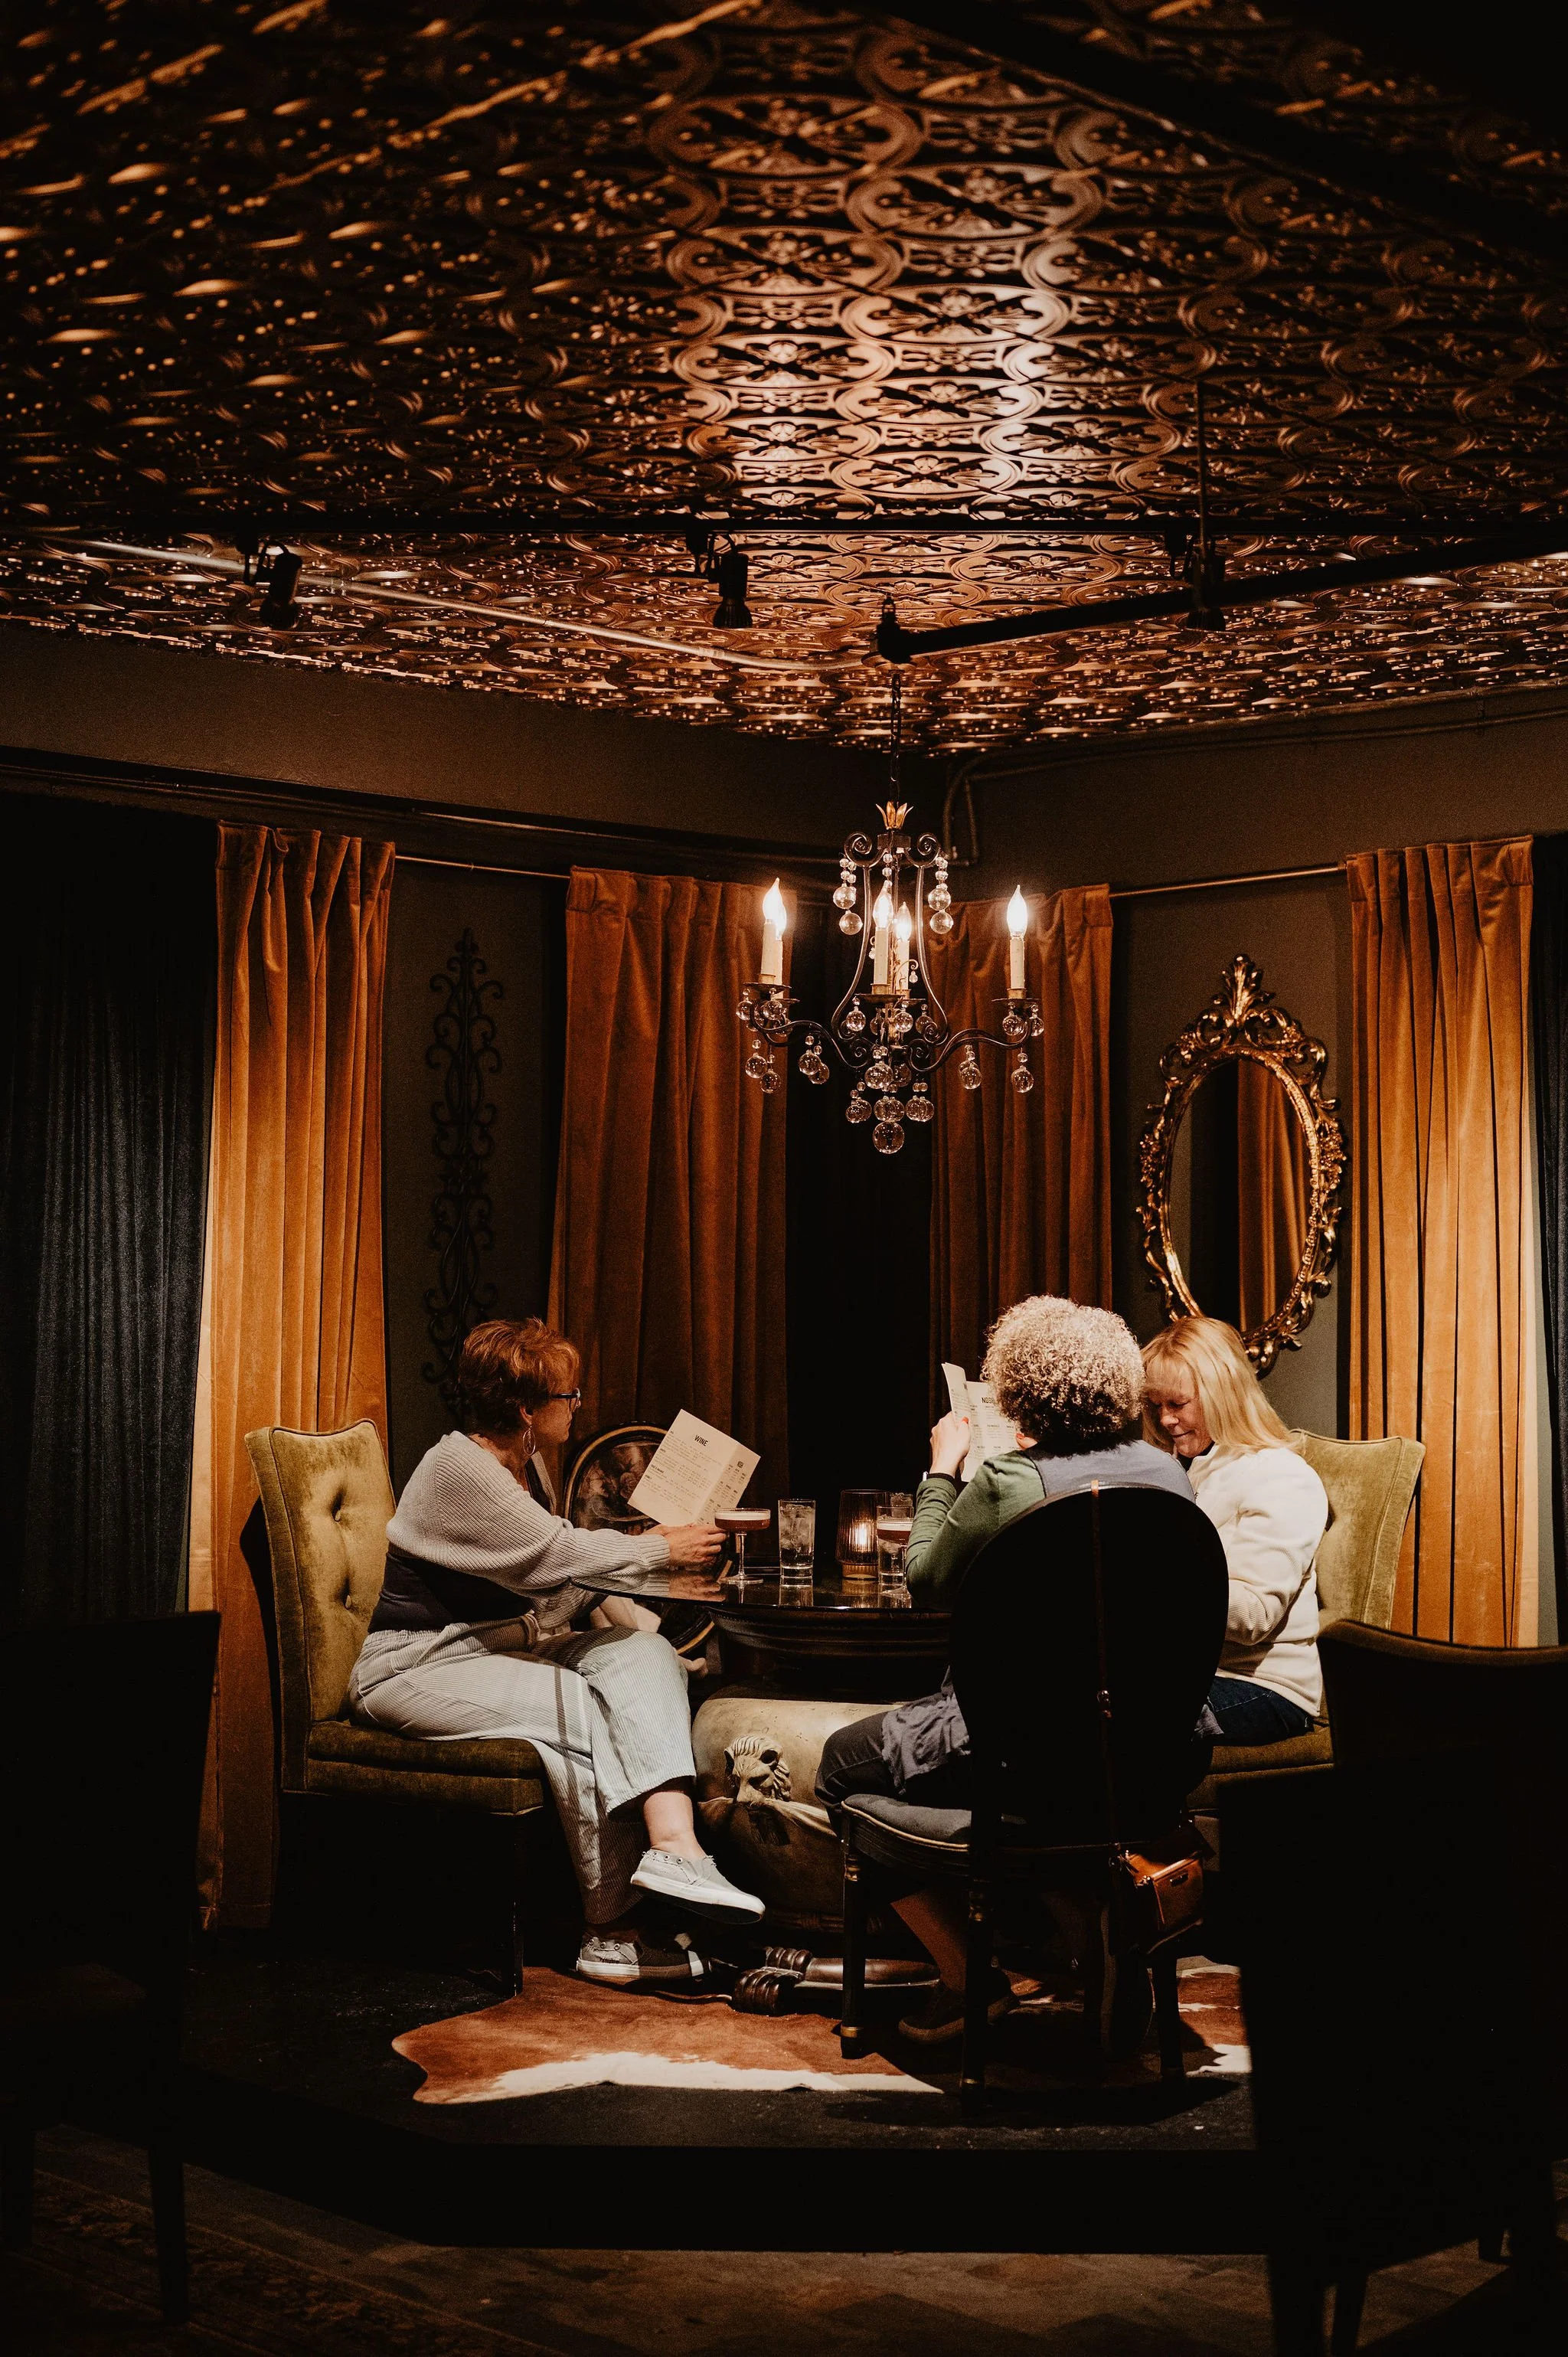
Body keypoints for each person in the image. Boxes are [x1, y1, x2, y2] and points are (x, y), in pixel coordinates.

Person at [816, 1295, 1191, 2046]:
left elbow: (925, 1578)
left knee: (837, 1766)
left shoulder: (1004, 1483)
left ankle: (968, 1979)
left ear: (1014, 1392)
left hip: (1018, 1755)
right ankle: (1095, 1954)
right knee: (1063, 1797)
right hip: (1138, 1755)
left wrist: (939, 1472)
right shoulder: (1167, 1475)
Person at [348, 1318, 763, 1988]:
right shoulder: (458, 1467)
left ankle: (675, 1849)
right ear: (525, 1410)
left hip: (496, 1648)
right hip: (415, 1664)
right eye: (567, 1397)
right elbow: (556, 1555)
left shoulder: (527, 1464)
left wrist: (647, 1622)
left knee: (640, 1657)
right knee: (580, 1707)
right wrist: (660, 1548)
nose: (578, 1406)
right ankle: (611, 1931)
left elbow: (567, 1574)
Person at [1142, 1316, 1328, 1746]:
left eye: (1177, 1404)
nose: (1165, 1420)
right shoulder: (1177, 1470)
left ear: (1222, 1395)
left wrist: (1150, 1574)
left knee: (1130, 1713)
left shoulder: (1281, 1475)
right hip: (1188, 1672)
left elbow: (1253, 1617)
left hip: (1264, 1688)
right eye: (1156, 1406)